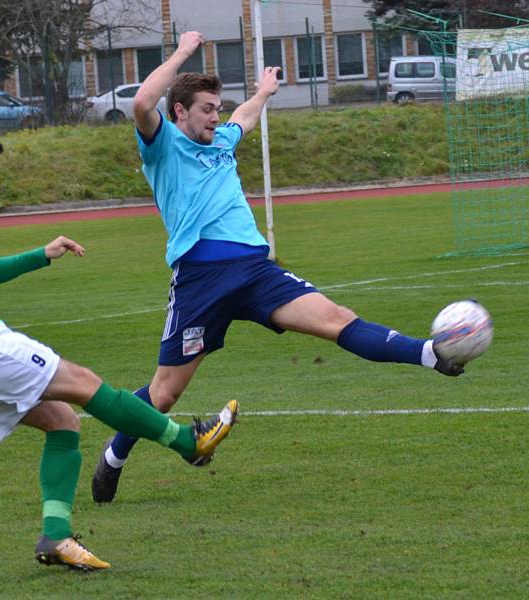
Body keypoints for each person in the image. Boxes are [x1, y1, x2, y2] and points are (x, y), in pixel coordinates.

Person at [91, 31, 465, 505]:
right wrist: (184, 52)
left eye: (218, 108)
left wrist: (264, 93)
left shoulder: (222, 139)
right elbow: (144, 100)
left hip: (255, 271)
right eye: (207, 108)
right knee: (163, 395)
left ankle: (432, 354)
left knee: (337, 319)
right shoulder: (161, 143)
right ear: (180, 111)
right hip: (200, 282)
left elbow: (244, 118)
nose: (217, 116)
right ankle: (113, 459)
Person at [0, 126, 239, 571]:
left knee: (63, 422)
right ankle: (186, 442)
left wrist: (43, 253)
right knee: (83, 383)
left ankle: (55, 537)